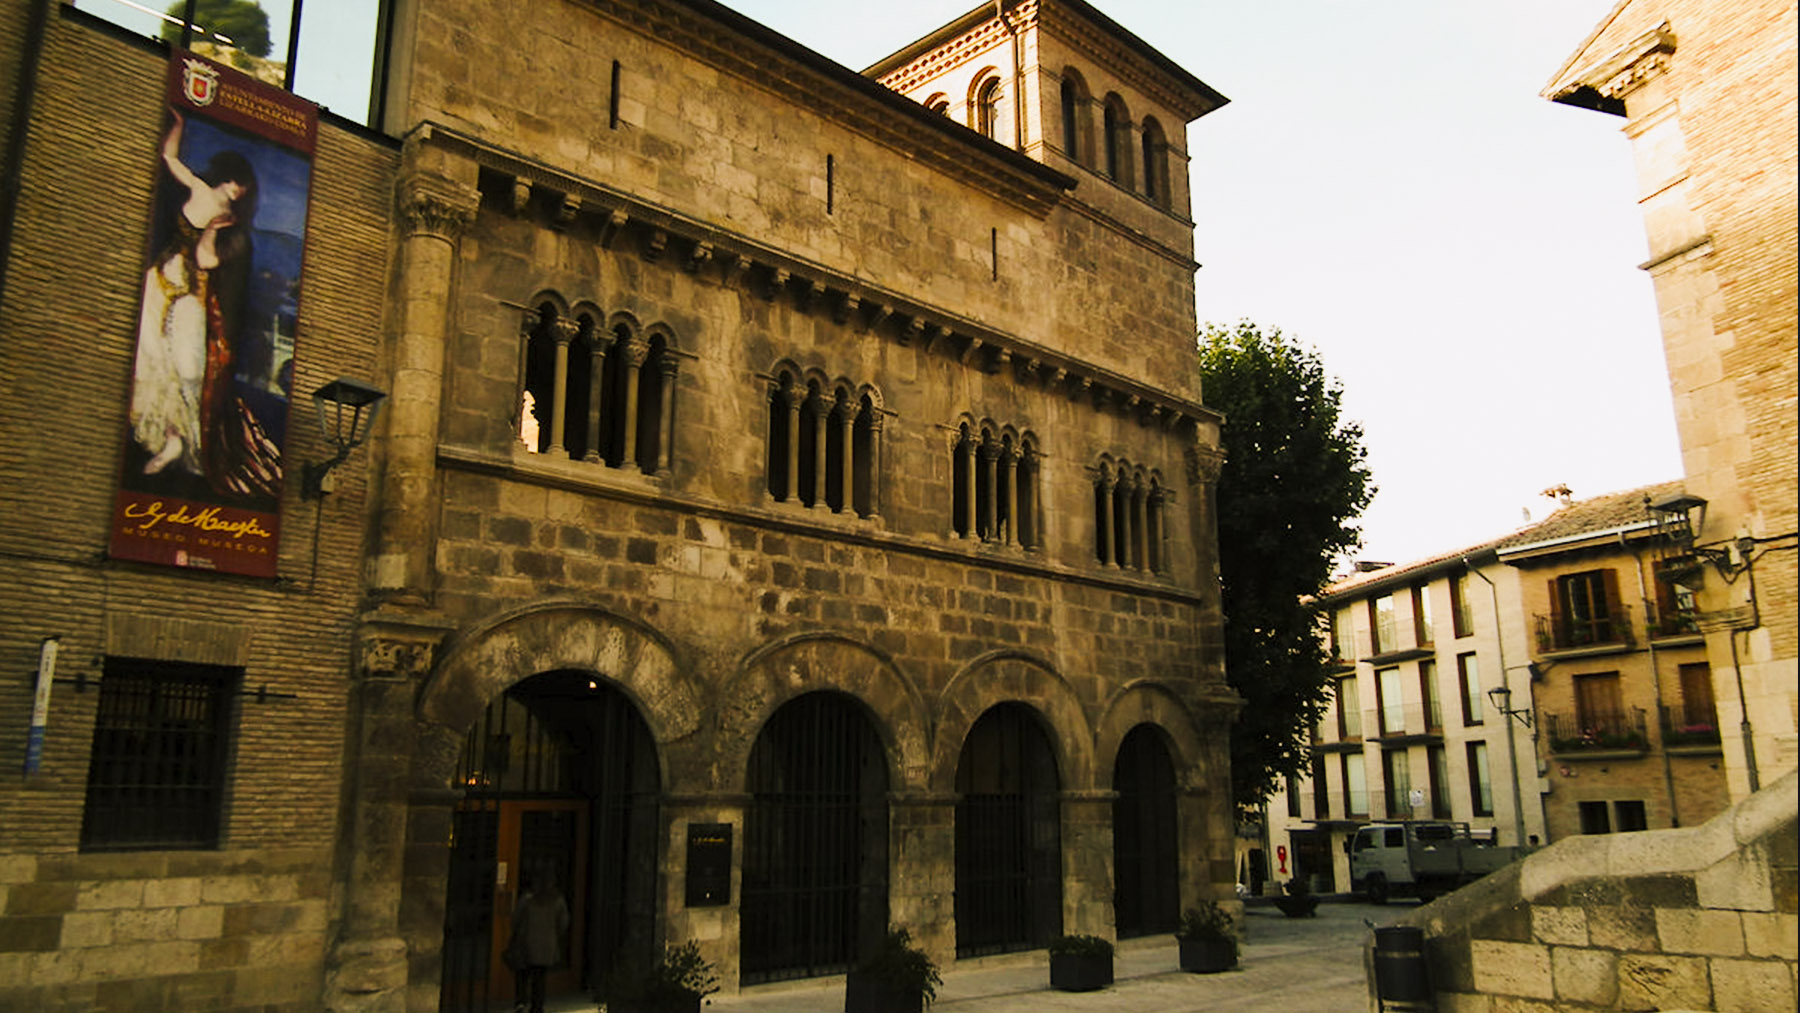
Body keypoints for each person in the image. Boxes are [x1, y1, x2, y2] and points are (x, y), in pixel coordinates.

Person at [130, 110, 281, 498]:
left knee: (185, 365)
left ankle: (178, 437)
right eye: (235, 182)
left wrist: (211, 234)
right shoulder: (197, 188)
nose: (236, 190)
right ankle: (166, 434)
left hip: (190, 290)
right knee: (151, 354)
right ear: (226, 175)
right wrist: (178, 128)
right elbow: (170, 160)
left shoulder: (228, 222)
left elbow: (208, 262)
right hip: (160, 275)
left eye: (242, 188)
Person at [508, 872, 569, 1013]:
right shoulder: (557, 900)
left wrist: (516, 933)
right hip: (547, 944)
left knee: (522, 974)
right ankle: (537, 1006)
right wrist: (554, 935)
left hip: (525, 943)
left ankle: (521, 1002)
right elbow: (563, 922)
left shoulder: (527, 899)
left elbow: (516, 919)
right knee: (540, 977)